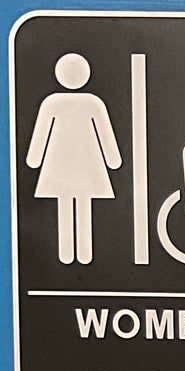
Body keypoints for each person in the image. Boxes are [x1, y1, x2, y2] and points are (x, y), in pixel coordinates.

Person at [26, 53, 122, 266]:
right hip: (82, 164)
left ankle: (73, 254)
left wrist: (35, 159)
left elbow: (41, 136)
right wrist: (112, 160)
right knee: (78, 204)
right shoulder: (88, 103)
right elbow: (105, 136)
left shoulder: (56, 103)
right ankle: (77, 254)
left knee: (71, 204)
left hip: (66, 164)